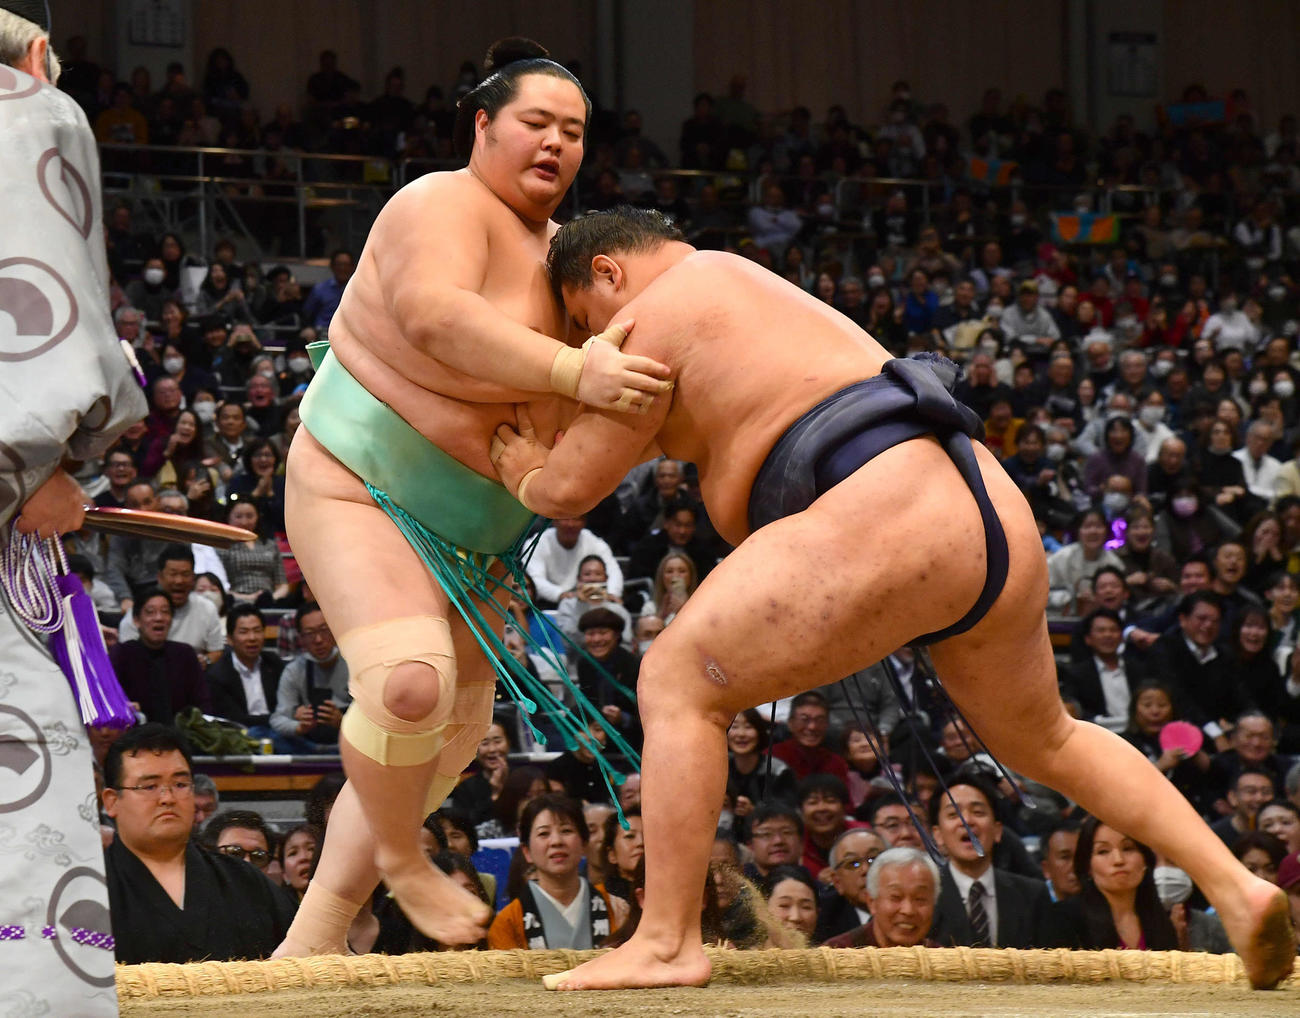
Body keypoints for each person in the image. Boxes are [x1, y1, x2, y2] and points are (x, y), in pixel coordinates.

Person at [493, 206, 1296, 990]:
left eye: (579, 317)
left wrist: (520, 464)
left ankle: (667, 940)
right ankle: (1235, 885)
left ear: (609, 271)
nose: (583, 341)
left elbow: (570, 486)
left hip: (884, 500)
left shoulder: (659, 305)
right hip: (980, 506)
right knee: (1046, 738)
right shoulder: (751, 295)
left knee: (673, 679)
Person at [276, 40, 671, 958]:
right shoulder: (440, 201)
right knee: (408, 687)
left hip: (481, 534)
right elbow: (434, 315)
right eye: (537, 123)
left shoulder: (568, 257)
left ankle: (316, 935)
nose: (557, 144)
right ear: (484, 125)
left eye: (574, 133)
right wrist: (577, 368)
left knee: (451, 735)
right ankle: (405, 868)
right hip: (358, 485)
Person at [0, 10, 148, 1011]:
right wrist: (32, 472)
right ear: (37, 58)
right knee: (25, 787)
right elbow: (44, 342)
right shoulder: (27, 114)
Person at [102, 725, 295, 963]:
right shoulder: (88, 889)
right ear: (111, 802)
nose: (167, 798)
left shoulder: (244, 881)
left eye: (180, 784)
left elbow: (304, 960)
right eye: (149, 786)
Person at [487, 794, 626, 948]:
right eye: (544, 834)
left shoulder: (618, 908)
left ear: (584, 843)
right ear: (527, 851)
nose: (556, 841)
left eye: (566, 831)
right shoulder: (507, 923)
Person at [1058, 816, 1178, 951]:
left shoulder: (1161, 919)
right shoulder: (1064, 919)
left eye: (1128, 848)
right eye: (1103, 851)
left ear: (1145, 860)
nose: (1118, 860)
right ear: (1088, 866)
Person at [269, 601, 350, 754]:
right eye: (310, 633)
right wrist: (298, 726)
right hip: (309, 744)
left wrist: (343, 722)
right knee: (265, 735)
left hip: (350, 743)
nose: (318, 640)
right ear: (301, 639)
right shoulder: (294, 670)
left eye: (324, 630)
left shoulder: (355, 664)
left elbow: (377, 721)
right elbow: (278, 719)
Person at [822, 846, 941, 948]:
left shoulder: (943, 962)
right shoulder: (835, 954)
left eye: (920, 899)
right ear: (871, 902)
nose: (908, 910)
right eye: (896, 897)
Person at [206, 604, 283, 742]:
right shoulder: (218, 675)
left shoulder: (274, 663)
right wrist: (277, 719)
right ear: (230, 639)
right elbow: (235, 719)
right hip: (241, 736)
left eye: (257, 630)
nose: (252, 638)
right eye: (244, 632)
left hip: (278, 730)